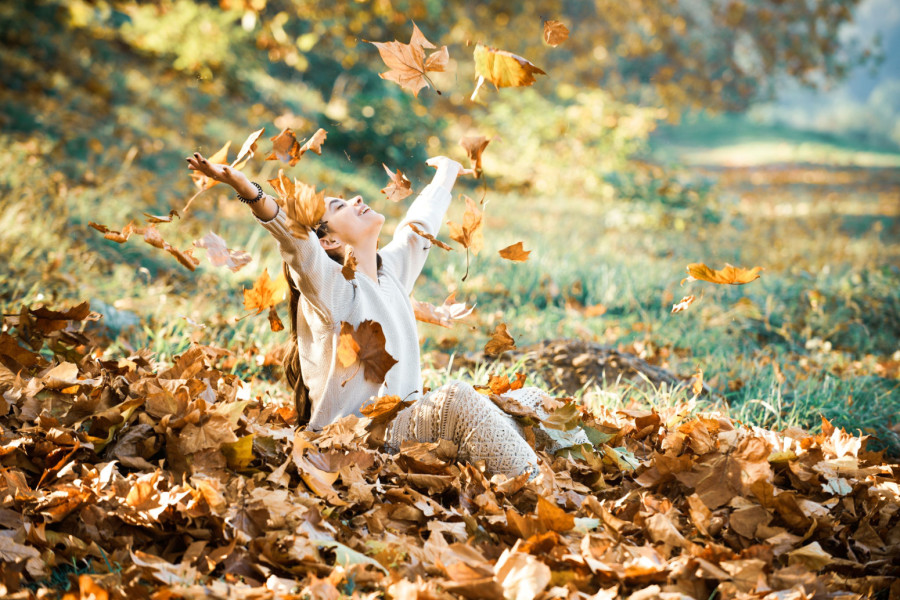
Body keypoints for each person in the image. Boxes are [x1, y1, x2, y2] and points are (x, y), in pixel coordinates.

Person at [185, 150, 584, 480]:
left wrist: (445, 174)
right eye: (341, 207)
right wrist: (245, 188)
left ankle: (586, 462)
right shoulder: (331, 291)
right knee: (459, 398)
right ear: (329, 240)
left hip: (406, 428)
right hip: (360, 443)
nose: (357, 200)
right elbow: (295, 242)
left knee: (527, 399)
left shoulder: (389, 272)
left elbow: (417, 229)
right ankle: (537, 490)